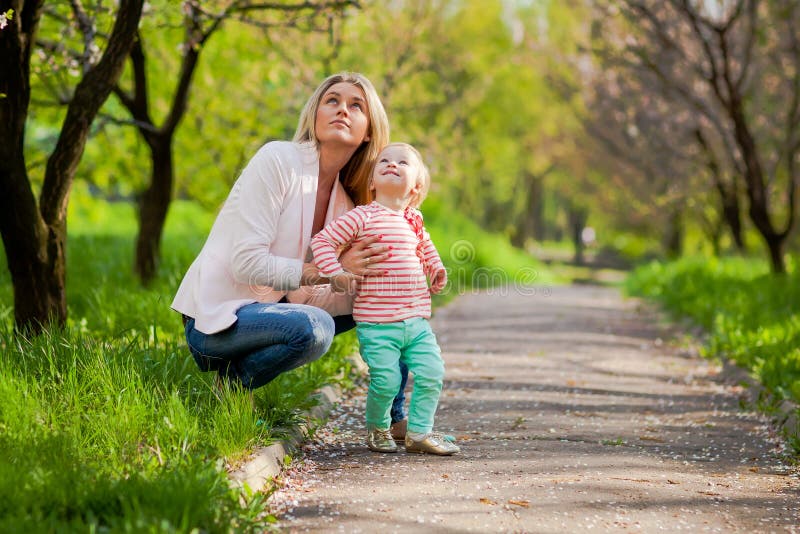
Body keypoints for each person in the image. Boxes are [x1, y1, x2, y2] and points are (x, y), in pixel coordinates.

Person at [172, 73, 411, 402]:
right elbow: (247, 264)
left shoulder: (345, 205)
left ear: (368, 131)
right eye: (332, 101)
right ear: (315, 115)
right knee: (316, 328)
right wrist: (331, 269)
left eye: (356, 106)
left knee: (380, 301)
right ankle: (232, 387)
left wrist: (381, 286)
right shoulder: (278, 160)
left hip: (272, 314)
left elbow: (307, 297)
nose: (342, 109)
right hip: (215, 320)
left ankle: (394, 414)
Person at [311, 143, 460, 456]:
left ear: (416, 186)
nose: (392, 164)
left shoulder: (414, 221)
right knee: (388, 380)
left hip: (416, 321)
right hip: (377, 323)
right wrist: (335, 272)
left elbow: (426, 252)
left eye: (403, 162)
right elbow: (323, 242)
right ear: (371, 182)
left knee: (432, 372)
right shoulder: (362, 217)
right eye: (385, 161)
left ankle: (418, 433)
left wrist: (437, 270)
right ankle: (378, 427)